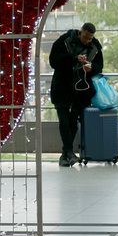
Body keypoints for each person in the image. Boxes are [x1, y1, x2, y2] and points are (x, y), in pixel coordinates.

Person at [49, 22, 103, 166]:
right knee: (64, 121)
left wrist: (90, 68)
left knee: (72, 122)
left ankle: (66, 154)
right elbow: (54, 61)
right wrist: (73, 58)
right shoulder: (63, 41)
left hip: (81, 91)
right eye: (85, 37)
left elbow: (99, 66)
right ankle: (68, 153)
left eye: (90, 38)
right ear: (80, 32)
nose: (87, 41)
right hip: (62, 88)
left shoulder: (95, 47)